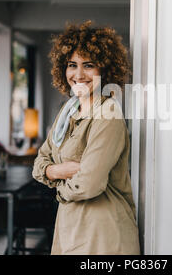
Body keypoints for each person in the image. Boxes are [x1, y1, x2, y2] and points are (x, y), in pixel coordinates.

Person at [32, 20, 140, 255]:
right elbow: (39, 163)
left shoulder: (108, 113)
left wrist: (57, 186)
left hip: (103, 233)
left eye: (88, 65)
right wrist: (62, 170)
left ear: (105, 69)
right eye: (72, 65)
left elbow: (89, 184)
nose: (78, 74)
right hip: (70, 227)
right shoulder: (67, 110)